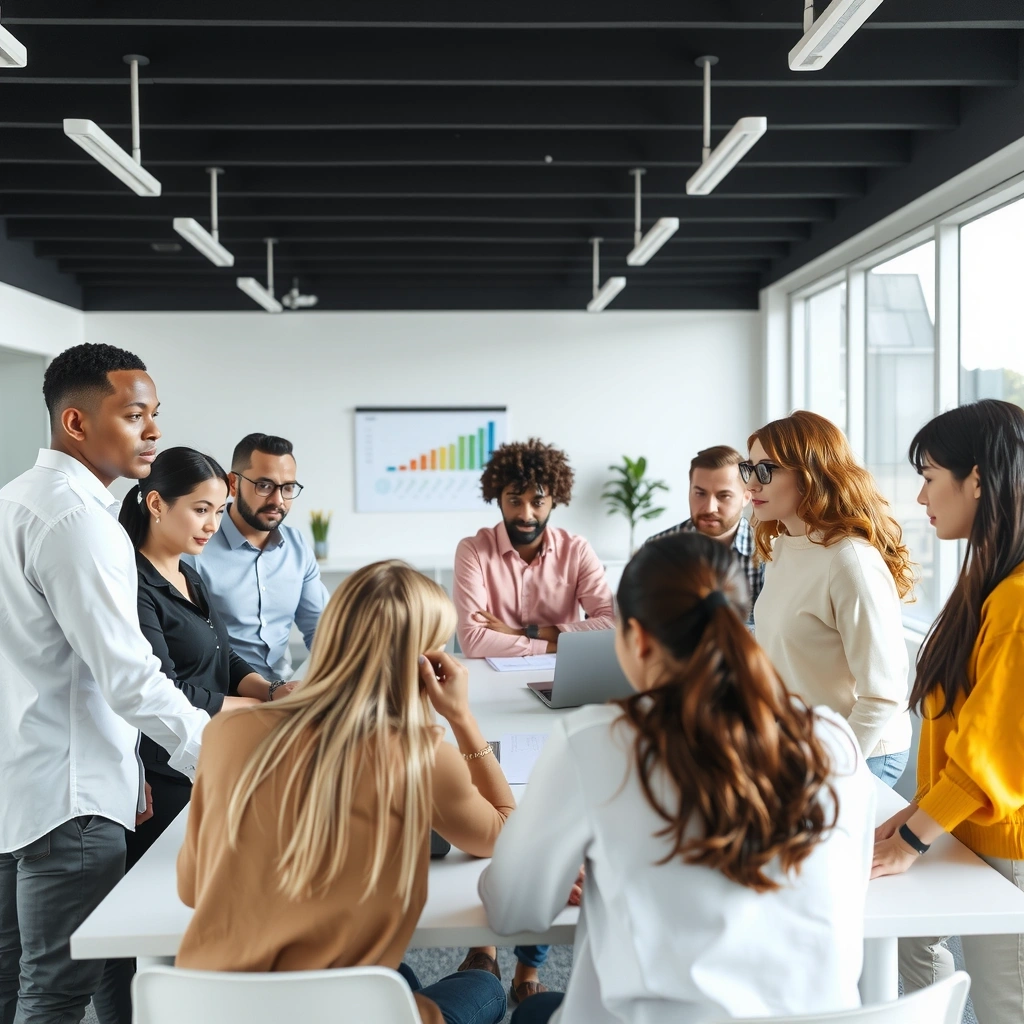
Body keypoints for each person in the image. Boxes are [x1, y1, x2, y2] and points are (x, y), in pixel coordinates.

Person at [478, 531, 875, 1024]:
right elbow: (849, 891)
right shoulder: (834, 739)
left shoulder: (596, 742)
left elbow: (513, 911)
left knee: (532, 1013)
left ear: (638, 639)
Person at [175, 561, 512, 1024]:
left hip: (217, 1009)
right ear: (425, 663)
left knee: (396, 976)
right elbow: (502, 834)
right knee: (484, 986)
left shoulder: (228, 732)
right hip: (350, 1013)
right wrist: (462, 719)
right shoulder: (421, 754)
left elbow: (193, 890)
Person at [0, 343, 209, 1024]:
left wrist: (130, 763)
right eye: (134, 414)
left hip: (24, 787)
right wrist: (223, 758)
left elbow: (47, 658)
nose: (152, 431)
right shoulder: (80, 521)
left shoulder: (16, 501)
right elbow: (127, 676)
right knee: (57, 994)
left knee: (15, 986)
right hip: (72, 798)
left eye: (155, 415)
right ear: (77, 424)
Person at [96, 448, 297, 1024]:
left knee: (203, 908)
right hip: (162, 769)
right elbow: (167, 691)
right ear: (156, 504)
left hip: (213, 758)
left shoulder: (189, 572)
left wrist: (270, 689)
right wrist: (255, 710)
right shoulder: (131, 585)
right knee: (144, 925)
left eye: (220, 510)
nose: (214, 524)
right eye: (202, 510)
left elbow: (222, 656)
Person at [872, 400, 1024, 1024]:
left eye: (930, 476)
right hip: (968, 833)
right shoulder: (985, 583)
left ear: (979, 481)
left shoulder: (1016, 600)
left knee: (1003, 1007)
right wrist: (910, 818)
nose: (919, 496)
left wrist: (910, 839)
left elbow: (994, 751)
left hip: (1007, 848)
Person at [746, 410, 913, 786]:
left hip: (862, 750)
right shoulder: (783, 548)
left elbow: (882, 696)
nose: (752, 485)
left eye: (766, 470)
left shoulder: (849, 561)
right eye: (749, 468)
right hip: (804, 743)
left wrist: (829, 771)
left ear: (809, 474)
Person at [454, 438, 614, 659]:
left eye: (537, 503)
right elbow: (473, 641)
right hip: (495, 676)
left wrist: (522, 633)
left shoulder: (577, 550)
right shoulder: (473, 551)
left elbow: (610, 623)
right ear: (499, 500)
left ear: (553, 501)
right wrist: (554, 645)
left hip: (561, 673)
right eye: (514, 501)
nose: (525, 515)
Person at [192, 432, 328, 680]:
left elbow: (323, 632)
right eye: (264, 486)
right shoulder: (196, 548)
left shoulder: (297, 546)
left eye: (287, 488)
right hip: (223, 696)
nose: (278, 500)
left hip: (284, 690)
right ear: (233, 484)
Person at [648, 444, 763, 625]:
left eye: (723, 496)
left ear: (746, 497)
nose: (709, 508)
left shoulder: (766, 552)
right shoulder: (658, 549)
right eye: (700, 493)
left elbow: (770, 632)